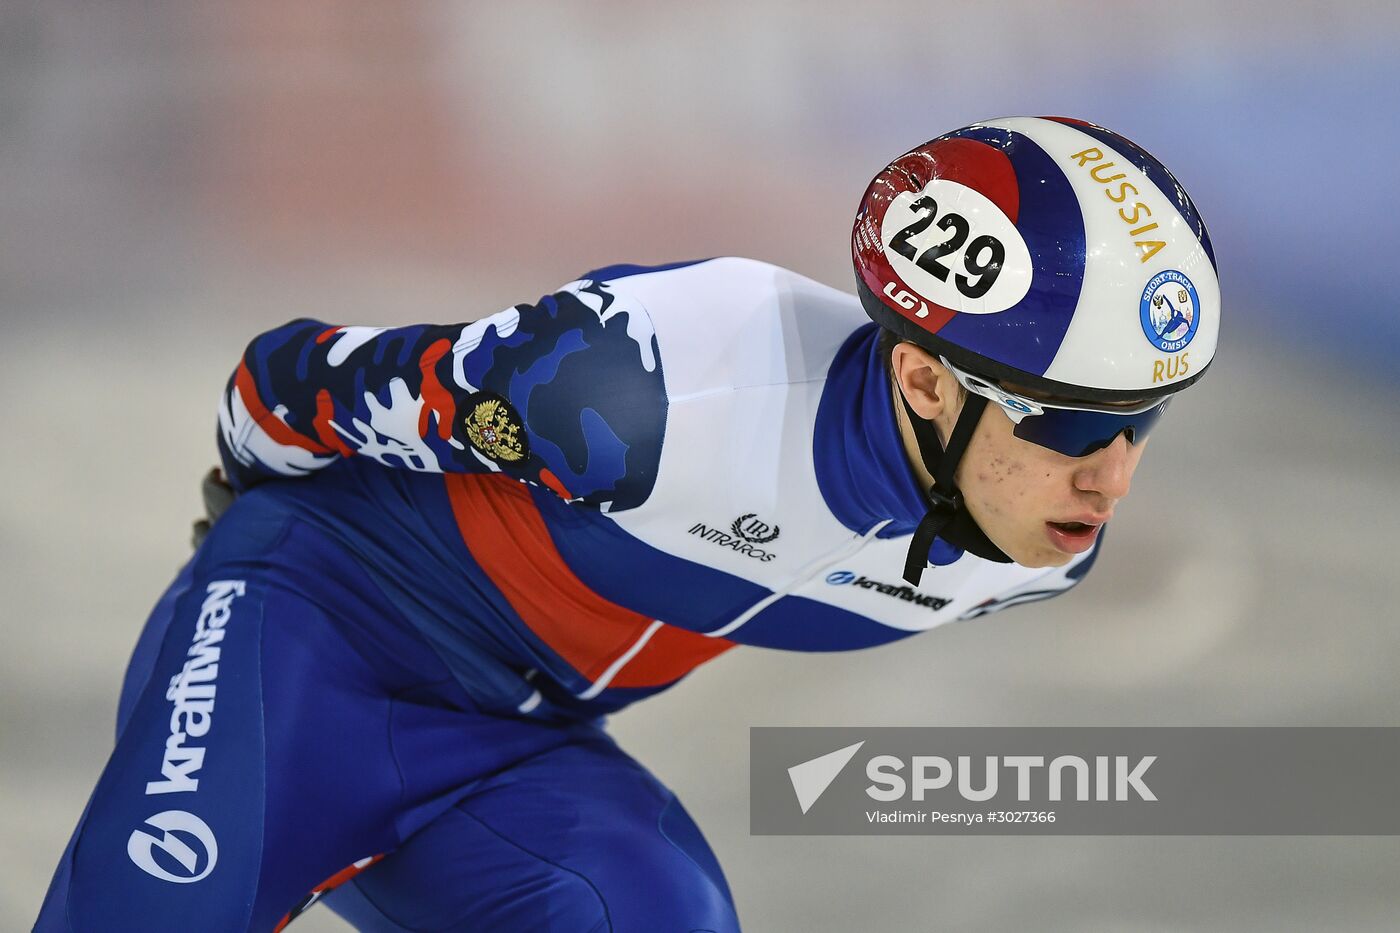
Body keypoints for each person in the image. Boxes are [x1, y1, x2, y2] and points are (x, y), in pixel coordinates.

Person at [37, 116, 1219, 932]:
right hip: (301, 645)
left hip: (514, 747)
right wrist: (235, 552)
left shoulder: (1027, 552)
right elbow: (289, 383)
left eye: (1143, 424)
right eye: (1073, 427)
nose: (1110, 484)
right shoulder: (640, 386)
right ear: (922, 381)